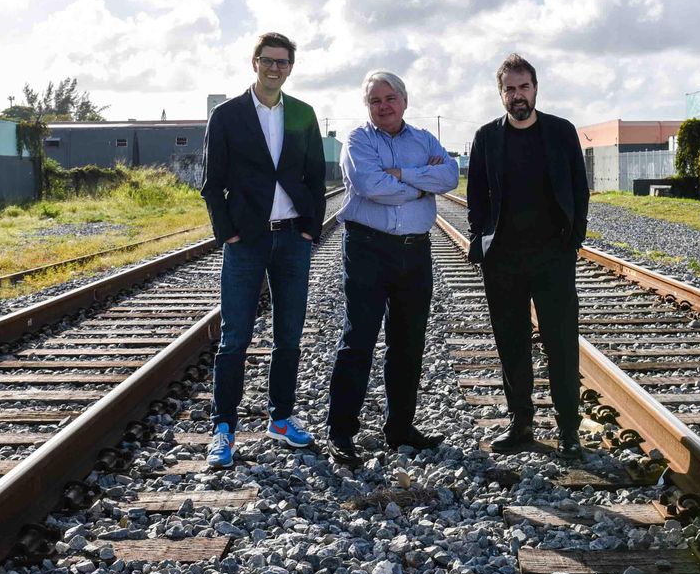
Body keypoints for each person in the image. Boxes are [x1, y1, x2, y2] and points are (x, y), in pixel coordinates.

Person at [200, 32, 328, 469]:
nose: (275, 68)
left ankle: (281, 418)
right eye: (268, 61)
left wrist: (311, 230)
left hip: (293, 239)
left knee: (288, 336)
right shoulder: (228, 116)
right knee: (235, 338)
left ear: (291, 67)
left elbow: (316, 177)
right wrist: (228, 233)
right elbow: (211, 183)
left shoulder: (303, 114)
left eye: (283, 62)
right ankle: (223, 429)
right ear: (254, 62)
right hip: (247, 241)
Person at [325, 71, 460, 467]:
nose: (383, 106)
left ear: (404, 100)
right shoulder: (358, 140)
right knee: (359, 339)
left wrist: (402, 175)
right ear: (366, 106)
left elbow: (449, 176)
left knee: (408, 341)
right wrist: (423, 182)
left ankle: (400, 428)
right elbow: (371, 186)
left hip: (415, 251)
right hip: (368, 247)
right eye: (374, 101)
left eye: (390, 98)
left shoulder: (424, 139)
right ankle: (341, 433)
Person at [464, 53, 589, 461]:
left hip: (552, 257)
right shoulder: (486, 137)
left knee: (561, 344)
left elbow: (578, 188)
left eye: (524, 87)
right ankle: (521, 424)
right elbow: (476, 196)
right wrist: (479, 239)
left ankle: (569, 429)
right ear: (500, 94)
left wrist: (573, 241)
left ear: (535, 88)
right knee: (511, 345)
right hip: (503, 260)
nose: (518, 96)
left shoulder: (561, 132)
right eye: (510, 89)